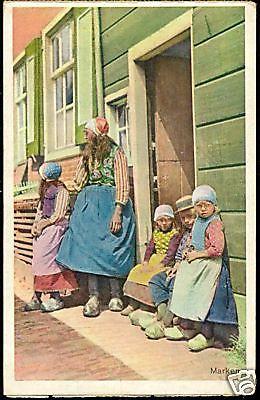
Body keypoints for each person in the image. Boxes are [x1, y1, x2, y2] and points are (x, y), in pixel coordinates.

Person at [56, 117, 135, 317]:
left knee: (112, 248)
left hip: (111, 204)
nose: (84, 135)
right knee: (89, 249)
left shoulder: (116, 152)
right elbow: (79, 181)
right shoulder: (88, 153)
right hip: (89, 206)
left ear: (97, 133)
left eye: (87, 131)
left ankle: (116, 295)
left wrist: (118, 211)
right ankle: (93, 296)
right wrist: (83, 161)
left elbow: (123, 183)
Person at [168, 185, 238, 351]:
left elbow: (217, 249)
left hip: (210, 265)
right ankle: (186, 326)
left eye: (207, 204)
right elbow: (193, 240)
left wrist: (197, 255)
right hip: (198, 263)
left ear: (214, 205)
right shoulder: (199, 222)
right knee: (184, 288)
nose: (203, 208)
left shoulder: (214, 224)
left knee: (204, 296)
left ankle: (206, 335)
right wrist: (188, 250)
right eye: (199, 205)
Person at [24, 162, 78, 313]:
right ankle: (37, 295)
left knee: (49, 260)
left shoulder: (61, 191)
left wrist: (45, 224)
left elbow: (59, 214)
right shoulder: (46, 190)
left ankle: (56, 296)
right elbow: (40, 210)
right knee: (38, 259)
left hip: (56, 226)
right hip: (45, 226)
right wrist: (36, 224)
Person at [145, 195, 196, 339]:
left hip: (193, 270)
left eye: (191, 217)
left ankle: (165, 322)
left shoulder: (199, 233)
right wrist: (176, 265)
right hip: (180, 267)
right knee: (157, 280)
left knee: (176, 284)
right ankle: (162, 308)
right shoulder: (185, 234)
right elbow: (179, 253)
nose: (188, 221)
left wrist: (181, 266)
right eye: (184, 218)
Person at [121, 204, 181, 317]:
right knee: (137, 271)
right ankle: (133, 303)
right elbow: (150, 248)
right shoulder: (156, 233)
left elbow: (171, 253)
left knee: (152, 276)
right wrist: (145, 261)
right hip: (154, 259)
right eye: (161, 220)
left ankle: (146, 304)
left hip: (166, 261)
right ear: (156, 221)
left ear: (172, 221)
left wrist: (162, 264)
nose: (164, 223)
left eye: (167, 220)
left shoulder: (175, 235)